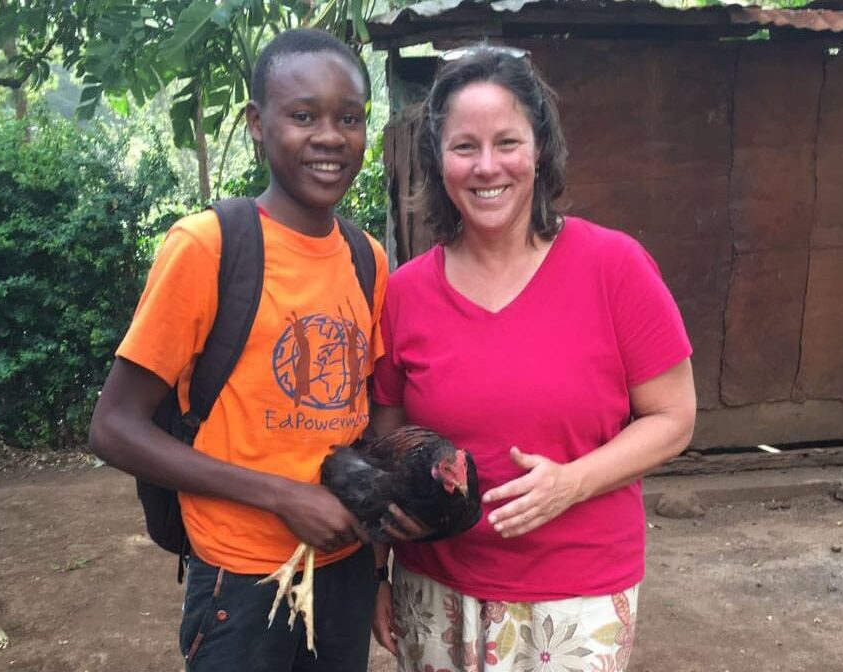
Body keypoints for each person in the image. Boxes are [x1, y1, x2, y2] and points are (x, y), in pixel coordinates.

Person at [369, 46, 697, 672]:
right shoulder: (405, 292)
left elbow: (674, 419)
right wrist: (376, 571)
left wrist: (571, 483)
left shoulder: (614, 267)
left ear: (540, 149)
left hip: (578, 595)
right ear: (437, 160)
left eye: (507, 142)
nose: (487, 166)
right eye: (464, 146)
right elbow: (385, 444)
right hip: (436, 591)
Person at [88, 29, 389, 672]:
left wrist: (382, 540)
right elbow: (113, 428)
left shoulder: (368, 259)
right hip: (241, 576)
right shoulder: (208, 247)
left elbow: (365, 416)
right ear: (257, 123)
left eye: (350, 118)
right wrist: (285, 497)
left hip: (345, 567)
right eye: (303, 115)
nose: (330, 136)